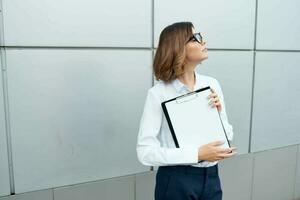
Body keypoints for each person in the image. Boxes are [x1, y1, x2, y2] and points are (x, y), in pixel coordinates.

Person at [136, 21, 237, 200]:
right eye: (195, 38)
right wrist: (196, 154)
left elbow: (227, 137)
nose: (203, 41)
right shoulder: (158, 94)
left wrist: (218, 114)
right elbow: (145, 152)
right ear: (178, 47)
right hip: (176, 180)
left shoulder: (211, 84)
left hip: (212, 177)